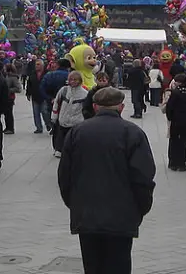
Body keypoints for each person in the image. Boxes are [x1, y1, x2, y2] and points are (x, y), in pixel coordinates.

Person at [58, 87, 156, 274]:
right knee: (119, 264)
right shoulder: (132, 133)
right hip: (121, 214)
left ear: (95, 107)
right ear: (121, 107)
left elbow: (65, 174)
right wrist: (140, 208)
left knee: (92, 265)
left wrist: (74, 203)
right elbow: (143, 176)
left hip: (87, 213)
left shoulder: (78, 131)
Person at [51, 71, 89, 157]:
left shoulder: (85, 93)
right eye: (71, 79)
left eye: (75, 80)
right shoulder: (64, 90)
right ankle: (59, 150)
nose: (73, 81)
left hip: (77, 121)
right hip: (63, 119)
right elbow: (56, 103)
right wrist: (54, 116)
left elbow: (86, 108)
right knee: (60, 136)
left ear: (80, 80)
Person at [165, 73, 186, 171]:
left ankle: (173, 162)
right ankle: (182, 163)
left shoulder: (175, 92)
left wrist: (170, 117)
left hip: (176, 120)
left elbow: (169, 107)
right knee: (184, 142)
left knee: (174, 141)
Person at [25, 59, 51, 133]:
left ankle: (48, 124)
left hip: (44, 96)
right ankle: (39, 128)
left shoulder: (47, 74)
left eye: (38, 64)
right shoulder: (32, 74)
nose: (36, 66)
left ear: (42, 65)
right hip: (35, 95)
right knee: (36, 113)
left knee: (44, 111)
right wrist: (28, 93)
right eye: (36, 64)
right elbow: (29, 84)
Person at [3, 63, 22, 134]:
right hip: (4, 97)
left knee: (8, 113)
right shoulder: (5, 76)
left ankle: (10, 128)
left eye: (5, 68)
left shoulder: (13, 77)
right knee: (6, 113)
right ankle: (7, 127)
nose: (4, 69)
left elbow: (18, 89)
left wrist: (9, 90)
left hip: (9, 97)